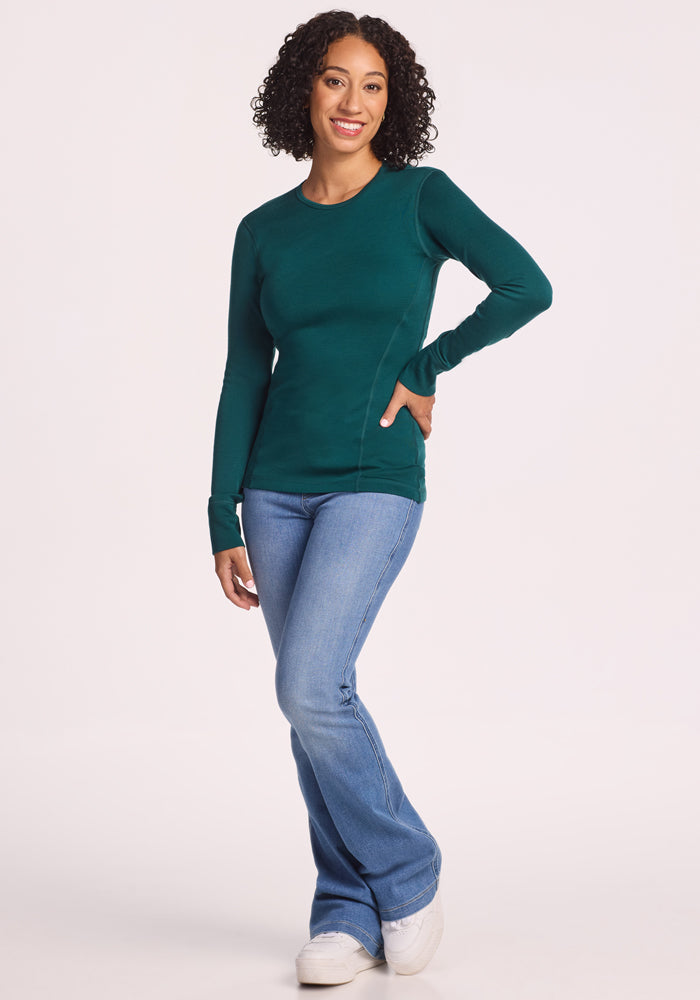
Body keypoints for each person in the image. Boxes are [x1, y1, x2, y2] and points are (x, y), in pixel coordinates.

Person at [208, 10, 553, 987]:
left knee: (313, 684)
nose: (352, 102)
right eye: (332, 81)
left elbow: (526, 285)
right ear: (300, 94)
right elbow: (243, 372)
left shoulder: (418, 199)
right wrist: (219, 510)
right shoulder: (264, 231)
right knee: (307, 702)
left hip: (373, 478)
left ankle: (406, 873)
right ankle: (341, 907)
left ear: (391, 99)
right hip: (273, 488)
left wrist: (430, 363)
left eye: (371, 84)